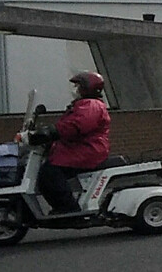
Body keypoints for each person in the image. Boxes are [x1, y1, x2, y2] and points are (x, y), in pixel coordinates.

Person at [32, 71, 111, 214]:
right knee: (49, 169)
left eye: (77, 85)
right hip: (78, 149)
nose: (74, 89)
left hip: (87, 150)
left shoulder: (91, 105)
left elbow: (76, 125)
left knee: (50, 173)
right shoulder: (83, 104)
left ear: (87, 87)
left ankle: (68, 209)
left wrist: (51, 132)